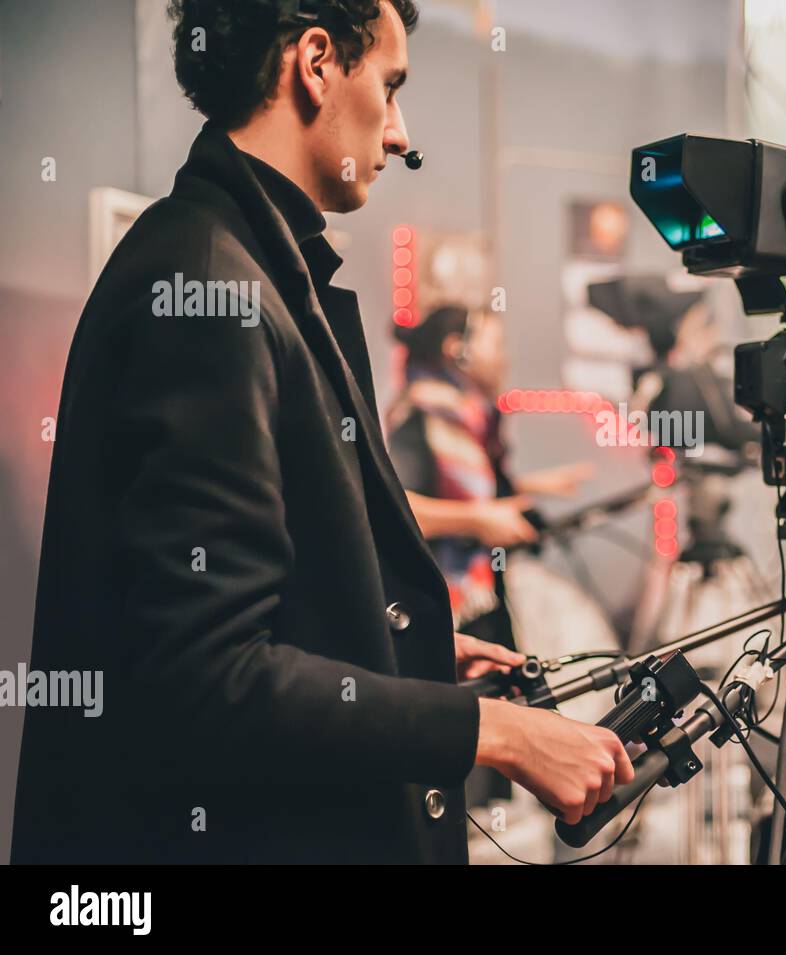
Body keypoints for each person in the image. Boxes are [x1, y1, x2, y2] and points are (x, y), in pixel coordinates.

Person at [10, 0, 630, 865]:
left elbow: (265, 603)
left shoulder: (241, 263)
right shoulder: (207, 284)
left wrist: (387, 649)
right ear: (315, 63)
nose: (404, 133)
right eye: (391, 84)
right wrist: (493, 734)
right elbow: (208, 678)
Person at [388, 305, 593, 650]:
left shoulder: (468, 418)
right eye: (496, 345)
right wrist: (476, 520)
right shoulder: (422, 416)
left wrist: (533, 486)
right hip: (448, 607)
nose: (504, 358)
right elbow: (394, 509)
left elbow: (461, 491)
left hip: (481, 597)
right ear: (457, 350)